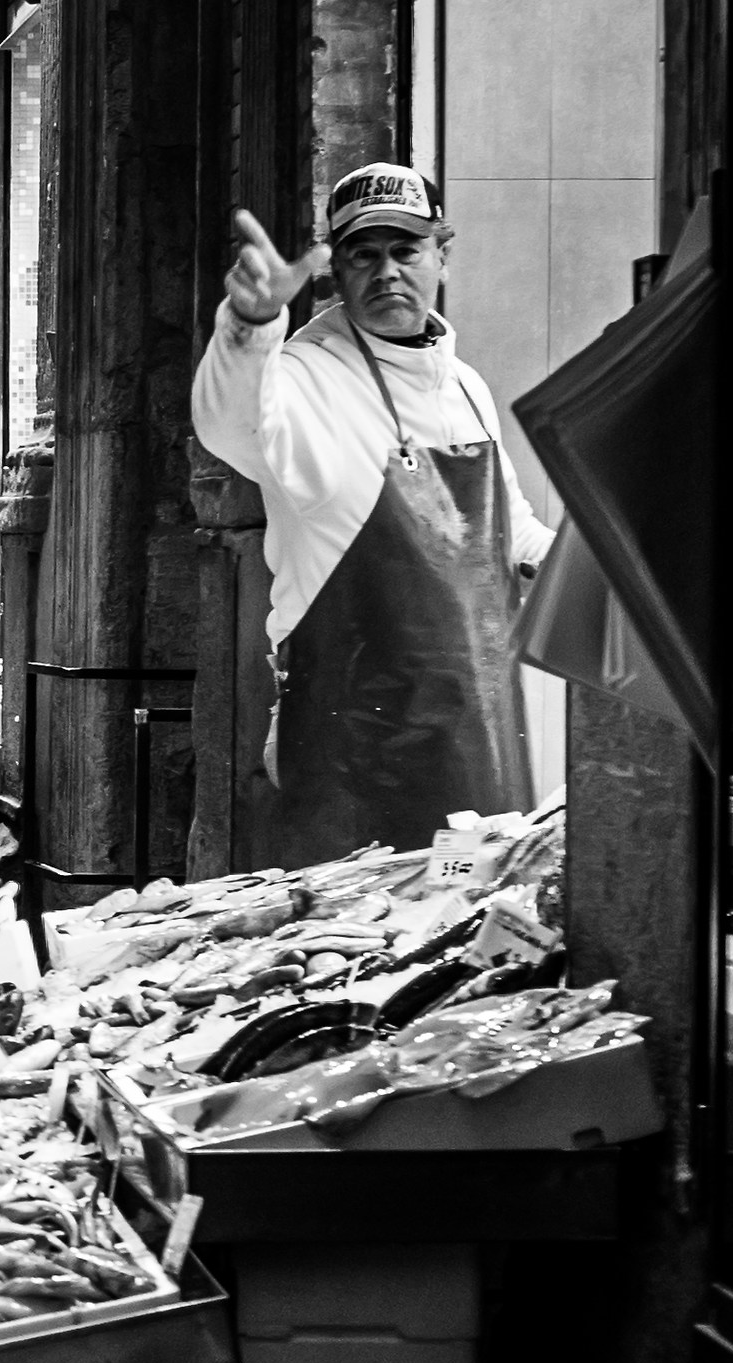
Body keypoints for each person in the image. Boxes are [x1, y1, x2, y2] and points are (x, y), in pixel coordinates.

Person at [191, 163, 554, 867]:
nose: (387, 272)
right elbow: (228, 423)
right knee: (354, 955)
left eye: (406, 250)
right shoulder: (302, 374)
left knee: (466, 945)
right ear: (339, 270)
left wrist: (598, 560)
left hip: (477, 739)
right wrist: (250, 325)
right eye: (364, 254)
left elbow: (516, 534)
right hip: (351, 754)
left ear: (442, 255)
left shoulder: (467, 388)